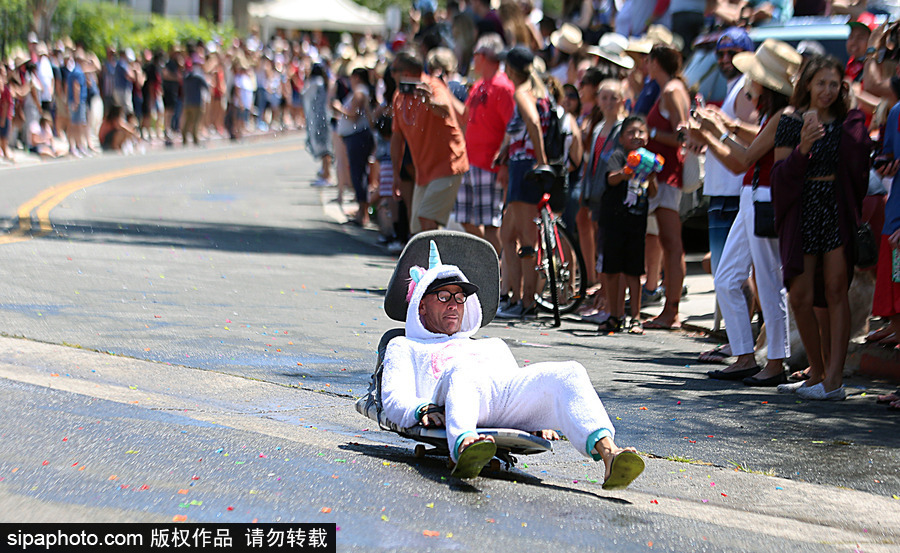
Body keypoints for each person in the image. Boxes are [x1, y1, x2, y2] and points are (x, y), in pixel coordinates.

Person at [380, 240, 645, 485]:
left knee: (570, 372)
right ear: (421, 306)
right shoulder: (405, 346)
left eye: (459, 297)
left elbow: (514, 390)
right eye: (443, 296)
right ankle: (464, 447)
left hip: (493, 399)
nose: (454, 305)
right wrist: (421, 410)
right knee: (464, 371)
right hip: (451, 396)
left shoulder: (491, 346)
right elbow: (392, 398)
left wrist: (533, 416)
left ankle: (610, 454)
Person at [688, 39, 799, 386]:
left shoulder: (783, 116)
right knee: (727, 277)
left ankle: (775, 361)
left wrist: (713, 132)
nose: (747, 82)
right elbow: (749, 150)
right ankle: (747, 355)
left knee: (768, 280)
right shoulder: (776, 114)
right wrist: (720, 129)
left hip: (763, 197)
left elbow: (744, 158)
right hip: (754, 195)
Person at [771, 55, 872, 401]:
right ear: (808, 86)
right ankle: (815, 370)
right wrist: (804, 147)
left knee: (835, 290)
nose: (827, 91)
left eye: (834, 84)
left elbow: (862, 157)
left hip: (835, 210)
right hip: (803, 212)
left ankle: (834, 379)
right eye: (821, 84)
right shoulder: (790, 122)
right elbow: (779, 178)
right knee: (800, 295)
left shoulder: (848, 123)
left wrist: (854, 111)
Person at [495, 46, 549, 319]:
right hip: (520, 164)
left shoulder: (522, 93)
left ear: (511, 70)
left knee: (527, 239)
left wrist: (541, 161)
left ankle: (527, 300)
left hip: (525, 168)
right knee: (507, 234)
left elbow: (533, 123)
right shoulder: (539, 92)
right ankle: (515, 295)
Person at [390, 50, 469, 235]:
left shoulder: (434, 85)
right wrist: (396, 174)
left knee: (426, 219)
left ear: (406, 73)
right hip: (424, 173)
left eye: (394, 70)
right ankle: (428, 263)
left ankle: (436, 264)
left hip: (448, 165)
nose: (391, 74)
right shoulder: (399, 96)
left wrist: (429, 101)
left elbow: (445, 109)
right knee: (417, 229)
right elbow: (396, 138)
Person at [452, 33, 516, 255]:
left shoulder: (504, 87)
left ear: (486, 56)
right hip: (470, 162)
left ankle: (499, 267)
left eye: (476, 54)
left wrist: (505, 163)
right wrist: (441, 91)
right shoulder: (479, 85)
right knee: (464, 219)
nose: (473, 58)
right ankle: (495, 261)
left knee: (490, 224)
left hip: (490, 165)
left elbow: (513, 127)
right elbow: (463, 117)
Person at [643, 44, 690, 330]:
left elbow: (681, 136)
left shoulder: (672, 90)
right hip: (665, 176)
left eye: (648, 60)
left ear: (656, 62)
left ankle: (671, 311)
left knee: (672, 245)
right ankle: (668, 309)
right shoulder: (671, 88)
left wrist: (650, 133)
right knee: (669, 243)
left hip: (669, 176)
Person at [599, 116, 658, 333]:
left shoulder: (648, 161)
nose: (636, 136)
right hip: (614, 220)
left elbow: (653, 192)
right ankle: (614, 314)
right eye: (631, 133)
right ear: (622, 138)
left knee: (634, 271)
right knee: (613, 270)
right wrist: (627, 171)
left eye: (641, 132)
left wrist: (650, 177)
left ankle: (635, 317)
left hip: (636, 221)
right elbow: (611, 179)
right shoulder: (618, 155)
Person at [333, 66, 375, 227]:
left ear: (357, 78)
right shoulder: (361, 91)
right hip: (357, 137)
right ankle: (361, 211)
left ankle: (363, 213)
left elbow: (353, 114)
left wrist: (338, 108)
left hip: (358, 137)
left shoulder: (359, 92)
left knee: (359, 173)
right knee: (358, 173)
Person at [303, 63, 334, 187]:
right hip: (325, 118)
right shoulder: (324, 83)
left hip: (319, 120)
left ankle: (327, 175)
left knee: (324, 149)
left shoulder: (316, 84)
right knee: (325, 148)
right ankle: (325, 173)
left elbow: (305, 96)